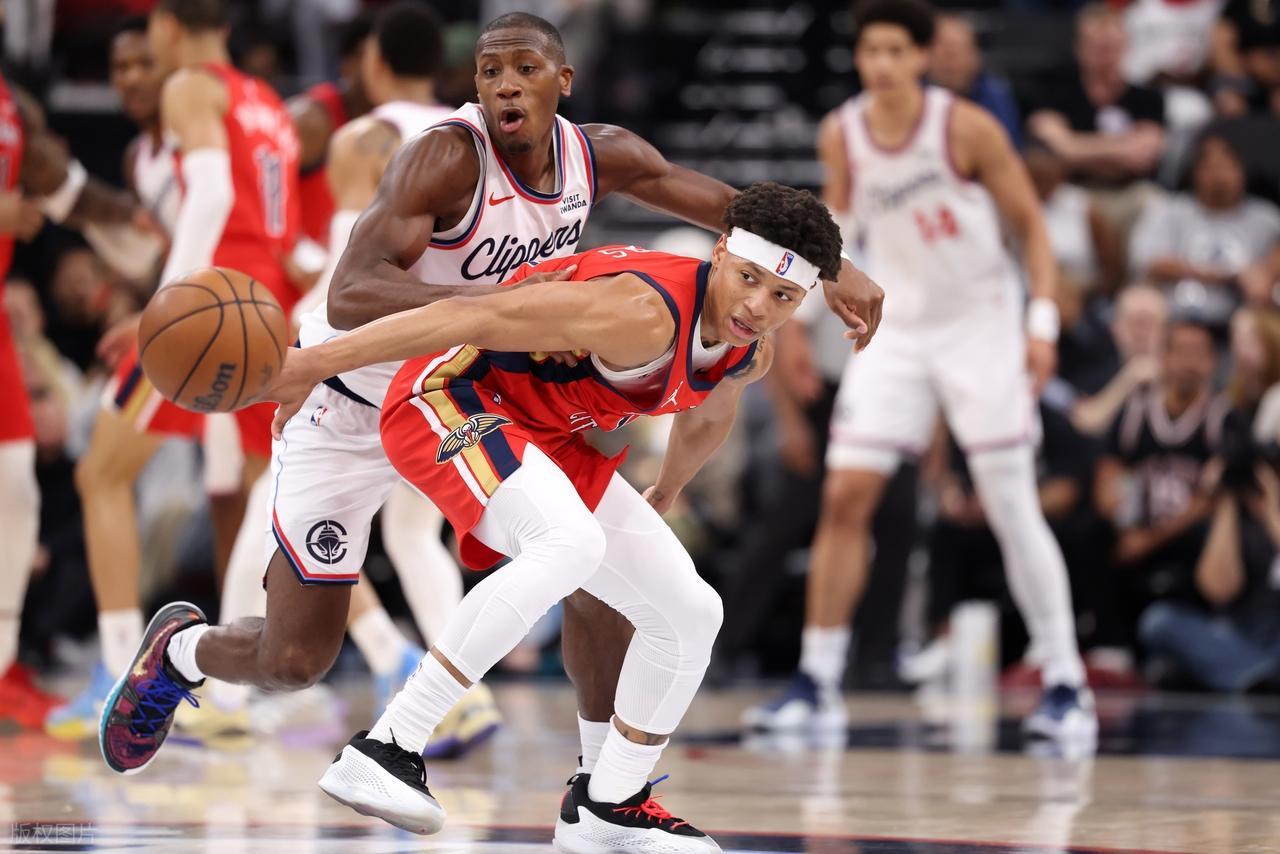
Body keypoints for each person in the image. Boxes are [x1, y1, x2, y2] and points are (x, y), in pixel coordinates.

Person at [96, 1, 881, 815]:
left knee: (585, 562)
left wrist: (834, 266)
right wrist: (506, 304)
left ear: (563, 80)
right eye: (489, 71)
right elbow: (351, 291)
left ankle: (593, 788)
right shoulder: (446, 159)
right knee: (295, 657)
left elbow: (736, 218)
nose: (506, 85)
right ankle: (183, 652)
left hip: (473, 392)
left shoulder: (600, 155)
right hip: (354, 392)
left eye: (525, 70)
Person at [261, 181, 840, 849]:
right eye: (749, 279)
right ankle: (387, 747)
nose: (758, 305)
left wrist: (667, 489)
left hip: (545, 432)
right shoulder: (639, 311)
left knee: (691, 610)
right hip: (450, 395)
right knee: (568, 543)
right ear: (719, 254)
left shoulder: (749, 344)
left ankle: (609, 804)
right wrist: (314, 363)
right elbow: (471, 316)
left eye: (783, 296)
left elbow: (709, 411)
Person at [745, 0, 1095, 744]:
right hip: (899, 331)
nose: (881, 64)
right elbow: (835, 233)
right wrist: (796, 321)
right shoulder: (842, 131)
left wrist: (1040, 326)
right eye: (870, 50)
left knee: (1009, 502)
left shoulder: (965, 128)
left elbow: (1031, 228)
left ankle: (1067, 682)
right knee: (845, 495)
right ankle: (817, 680)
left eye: (895, 51)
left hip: (980, 326)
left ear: (923, 57)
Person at [217, 1, 502, 755]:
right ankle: (460, 696)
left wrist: (287, 311)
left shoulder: (365, 139)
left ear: (373, 62)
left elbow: (348, 268)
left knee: (269, 505)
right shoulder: (475, 144)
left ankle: (221, 696)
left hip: (360, 360)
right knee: (415, 534)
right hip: (445, 365)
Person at [68, 0, 301, 737]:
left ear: (167, 25)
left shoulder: (190, 85)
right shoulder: (267, 102)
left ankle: (118, 672)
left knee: (101, 473)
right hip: (268, 302)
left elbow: (213, 195)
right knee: (262, 497)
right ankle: (233, 688)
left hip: (210, 305)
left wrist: (163, 309)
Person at [0, 53, 157, 728]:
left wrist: (131, 217)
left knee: (15, 494)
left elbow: (64, 190)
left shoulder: (14, 105)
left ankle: (2, 667)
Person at [1095, 319, 1232, 644]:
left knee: (1209, 535)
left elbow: (1212, 499)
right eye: (1181, 352)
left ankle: (1209, 635)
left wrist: (1151, 539)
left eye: (1198, 354)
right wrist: (1125, 524)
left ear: (1213, 362)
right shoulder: (1136, 409)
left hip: (1185, 530)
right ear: (1163, 357)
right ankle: (1107, 644)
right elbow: (1110, 470)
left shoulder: (1223, 417)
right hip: (1137, 522)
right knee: (1089, 532)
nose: (1189, 363)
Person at [1130, 134, 1280, 326]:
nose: (1219, 176)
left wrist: (1265, 275)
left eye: (1226, 167)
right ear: (1195, 173)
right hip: (1176, 318)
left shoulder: (1266, 218)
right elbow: (1151, 263)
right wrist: (1229, 275)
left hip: (1244, 321)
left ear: (1242, 171)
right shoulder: (1169, 210)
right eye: (1210, 168)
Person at [1026, 4, 1165, 202]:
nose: (1105, 57)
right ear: (1079, 48)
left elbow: (1145, 155)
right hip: (1073, 191)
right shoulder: (1053, 93)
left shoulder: (1147, 97)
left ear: (1126, 46)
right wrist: (1123, 147)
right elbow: (1058, 150)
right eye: (1097, 48)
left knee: (1153, 199)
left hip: (1129, 192)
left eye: (1111, 48)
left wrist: (1079, 148)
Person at [927, 14, 1020, 146]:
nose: (950, 62)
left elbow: (1007, 144)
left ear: (976, 56)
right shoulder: (914, 91)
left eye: (959, 49)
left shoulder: (995, 93)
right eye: (943, 51)